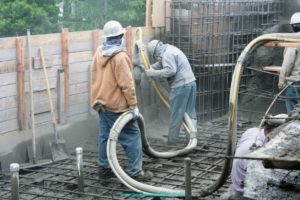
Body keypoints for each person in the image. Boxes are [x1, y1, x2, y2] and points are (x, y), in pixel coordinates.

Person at [91, 20, 151, 180]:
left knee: (105, 136)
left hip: (101, 103)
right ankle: (135, 173)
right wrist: (133, 106)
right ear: (119, 36)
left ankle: (104, 169)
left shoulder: (99, 52)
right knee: (132, 135)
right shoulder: (120, 57)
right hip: (117, 106)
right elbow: (127, 85)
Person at [144, 40, 197, 144]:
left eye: (154, 54)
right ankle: (192, 138)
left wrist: (153, 73)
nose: (156, 56)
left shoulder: (166, 54)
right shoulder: (171, 49)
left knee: (176, 114)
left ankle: (172, 141)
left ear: (156, 51)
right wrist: (150, 68)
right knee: (190, 112)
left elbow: (171, 70)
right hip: (191, 83)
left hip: (181, 86)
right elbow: (161, 63)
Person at [228, 114, 287, 199]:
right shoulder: (256, 149)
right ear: (272, 132)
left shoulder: (253, 130)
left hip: (241, 178)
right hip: (245, 192)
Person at [278, 12, 300, 113]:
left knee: (294, 115)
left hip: (295, 83)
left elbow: (288, 63)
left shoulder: (293, 41)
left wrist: (281, 80)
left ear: (293, 26)